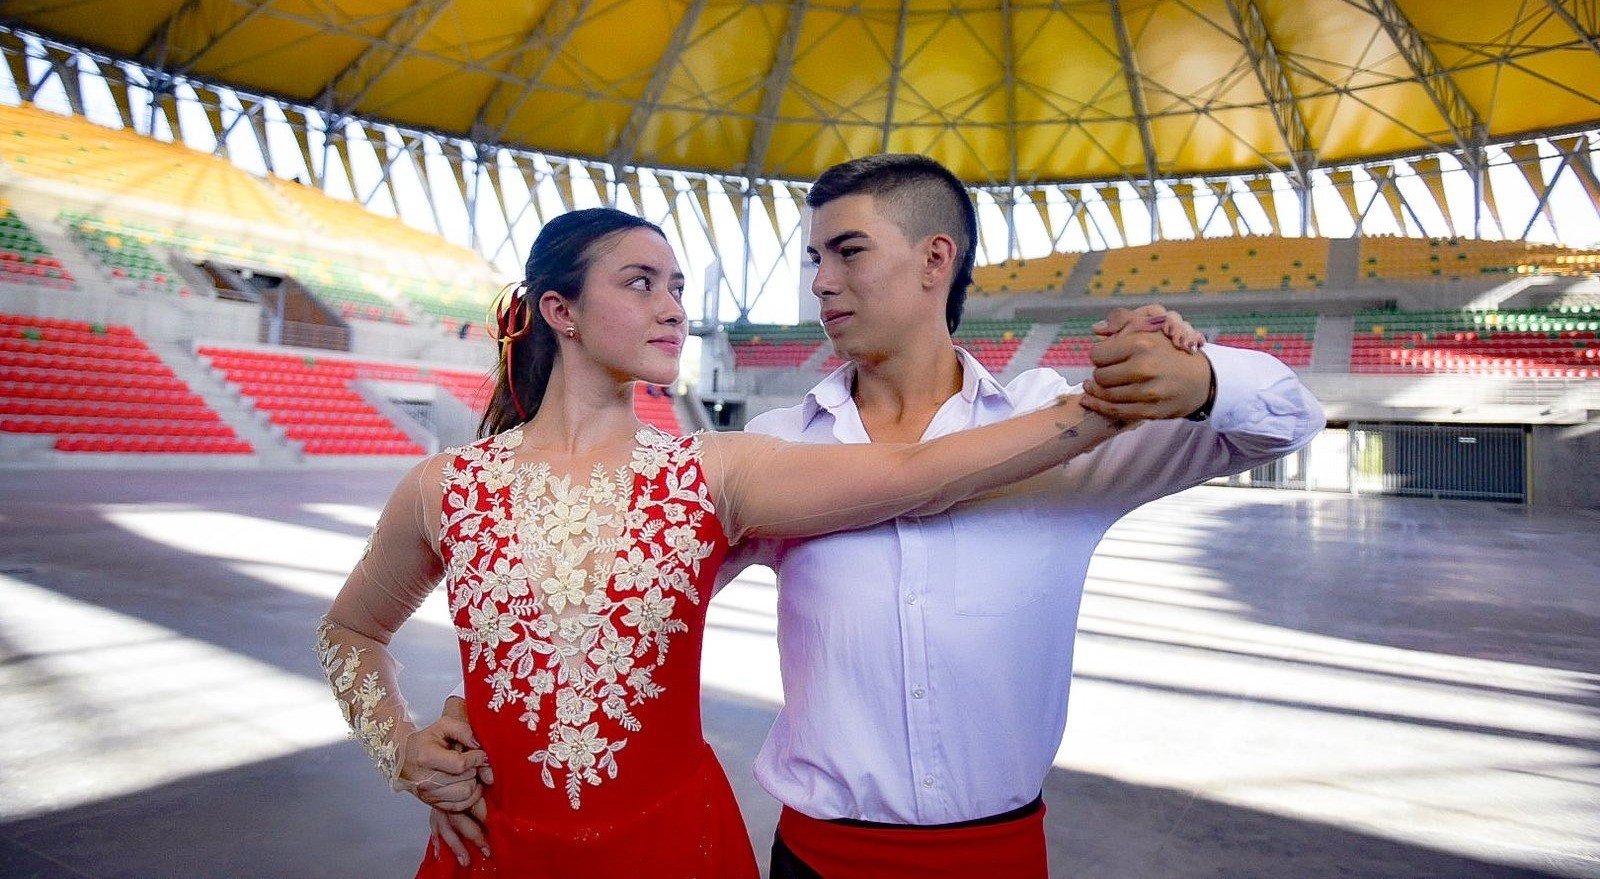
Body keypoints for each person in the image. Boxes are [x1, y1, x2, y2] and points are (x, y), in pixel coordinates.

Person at [414, 155, 1324, 877]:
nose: (820, 280)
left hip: (1002, 851)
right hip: (819, 855)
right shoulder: (770, 449)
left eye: (847, 252)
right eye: (813, 257)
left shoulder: (1080, 431)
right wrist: (482, 710)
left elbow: (1285, 417)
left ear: (937, 258)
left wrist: (1204, 379)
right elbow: (615, 609)